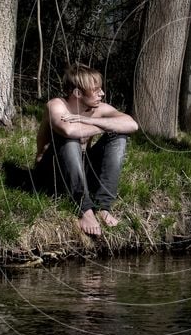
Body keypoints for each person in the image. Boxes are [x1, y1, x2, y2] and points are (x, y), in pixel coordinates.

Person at [35, 64, 138, 236]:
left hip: (81, 172)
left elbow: (132, 125)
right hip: (51, 176)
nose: (102, 94)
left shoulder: (99, 109)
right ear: (78, 93)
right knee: (69, 139)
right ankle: (84, 210)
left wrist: (90, 121)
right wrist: (107, 126)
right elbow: (69, 131)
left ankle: (103, 206)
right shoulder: (57, 105)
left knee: (119, 136)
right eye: (96, 90)